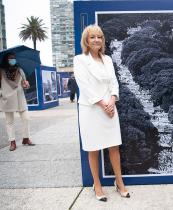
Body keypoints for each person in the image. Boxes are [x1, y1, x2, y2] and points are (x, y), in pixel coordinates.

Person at [73, 25, 130, 202]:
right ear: (86, 40)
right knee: (93, 148)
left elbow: (114, 82)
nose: (96, 39)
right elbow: (85, 86)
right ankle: (97, 184)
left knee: (114, 146)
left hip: (110, 108)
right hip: (91, 109)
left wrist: (112, 101)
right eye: (92, 37)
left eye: (99, 36)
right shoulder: (79, 60)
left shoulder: (108, 60)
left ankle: (119, 182)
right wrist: (103, 103)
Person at [0, 52, 35, 151]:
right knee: (9, 122)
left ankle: (26, 138)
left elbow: (24, 83)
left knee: (26, 118)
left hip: (20, 98)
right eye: (10, 58)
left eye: (14, 58)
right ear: (6, 60)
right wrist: (2, 94)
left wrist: (26, 85)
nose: (13, 60)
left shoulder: (19, 70)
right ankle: (12, 142)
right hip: (7, 99)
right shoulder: (1, 71)